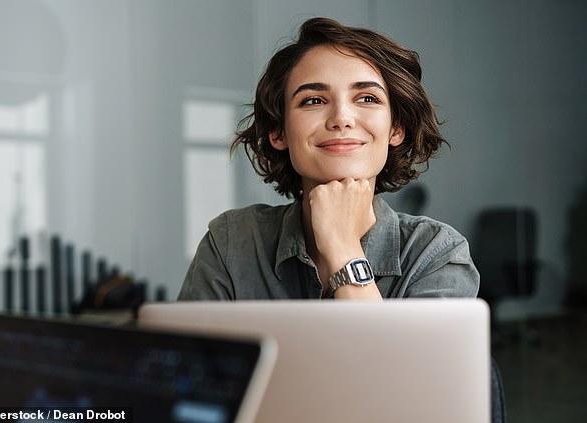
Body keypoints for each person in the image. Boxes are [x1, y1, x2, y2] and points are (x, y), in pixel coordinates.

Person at [178, 17, 479, 301]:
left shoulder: (437, 253)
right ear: (278, 132)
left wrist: (343, 248)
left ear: (396, 129)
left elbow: (393, 359)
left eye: (367, 98)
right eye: (313, 101)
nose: (341, 119)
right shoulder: (230, 243)